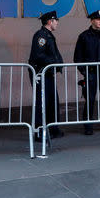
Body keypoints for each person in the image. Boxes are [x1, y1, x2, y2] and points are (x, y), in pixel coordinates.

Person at [28, 11, 64, 141]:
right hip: (41, 74)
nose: (57, 23)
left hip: (47, 74)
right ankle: (39, 132)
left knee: (52, 101)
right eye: (56, 21)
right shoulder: (41, 36)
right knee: (41, 103)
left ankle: (53, 129)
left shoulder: (48, 35)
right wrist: (54, 63)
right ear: (50, 21)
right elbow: (38, 56)